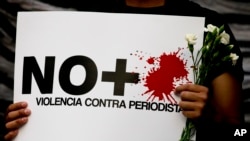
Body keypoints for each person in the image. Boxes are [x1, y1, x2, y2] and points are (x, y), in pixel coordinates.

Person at [3, 0, 244, 141]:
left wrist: (210, 119)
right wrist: (21, 126)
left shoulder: (210, 27)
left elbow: (240, 134)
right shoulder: (84, 18)